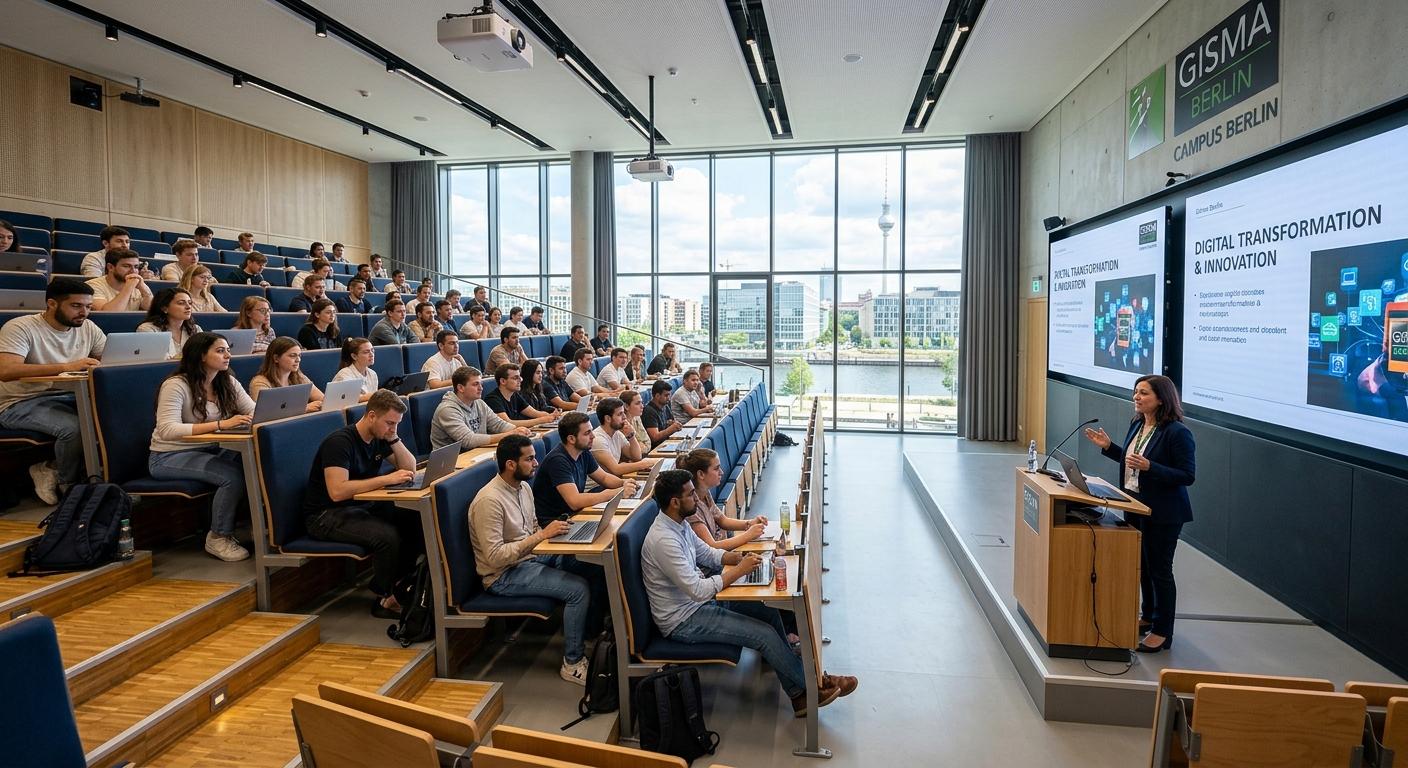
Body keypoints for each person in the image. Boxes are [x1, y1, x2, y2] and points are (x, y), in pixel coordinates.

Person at [642, 469, 857, 716]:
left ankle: (799, 696)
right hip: (683, 620)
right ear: (675, 502)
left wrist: (737, 558)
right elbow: (698, 590)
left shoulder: (678, 524)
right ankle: (816, 683)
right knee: (763, 635)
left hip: (699, 604)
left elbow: (707, 554)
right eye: (692, 495)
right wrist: (738, 571)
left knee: (768, 614)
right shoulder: (663, 540)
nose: (698, 499)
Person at [469, 434, 607, 685]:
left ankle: (590, 632)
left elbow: (532, 529)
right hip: (504, 575)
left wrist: (559, 534)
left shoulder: (523, 488)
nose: (536, 463)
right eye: (530, 459)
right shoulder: (489, 501)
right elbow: (494, 557)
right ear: (511, 464)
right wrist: (543, 536)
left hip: (531, 558)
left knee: (592, 565)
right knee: (578, 590)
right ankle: (572, 662)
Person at [1084, 374, 1195, 654]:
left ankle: (1162, 631)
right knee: (1143, 567)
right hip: (1134, 505)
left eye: (1143, 393)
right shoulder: (1138, 424)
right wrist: (1110, 448)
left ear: (1161, 398)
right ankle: (1148, 616)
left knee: (1160, 572)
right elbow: (1132, 461)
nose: (1136, 397)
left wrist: (1151, 468)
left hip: (1164, 513)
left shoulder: (1177, 432)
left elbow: (1187, 475)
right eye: (1136, 392)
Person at [303, 390, 422, 618]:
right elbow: (337, 491)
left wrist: (394, 438)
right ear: (371, 416)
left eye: (396, 424)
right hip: (325, 514)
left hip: (361, 504)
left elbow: (410, 469)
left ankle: (394, 586)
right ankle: (384, 598)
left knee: (416, 520)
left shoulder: (380, 437)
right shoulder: (340, 442)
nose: (392, 428)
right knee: (387, 538)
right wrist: (386, 479)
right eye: (389, 423)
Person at [149, 332, 254, 562]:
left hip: (211, 449)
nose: (228, 355)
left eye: (227, 350)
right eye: (220, 350)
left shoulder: (226, 381)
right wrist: (220, 424)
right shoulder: (176, 385)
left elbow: (254, 410)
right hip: (170, 455)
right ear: (201, 356)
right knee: (233, 475)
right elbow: (167, 429)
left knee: (255, 461)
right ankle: (218, 537)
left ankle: (256, 525)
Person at [0, 278, 106, 503]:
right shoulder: (20, 327)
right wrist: (65, 367)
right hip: (18, 401)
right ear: (52, 304)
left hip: (69, 394)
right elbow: (6, 370)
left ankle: (49, 467)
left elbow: (106, 358)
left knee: (113, 417)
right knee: (75, 428)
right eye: (76, 306)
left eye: (88, 307)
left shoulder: (88, 327)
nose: (84, 313)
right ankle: (69, 486)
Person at [531, 412, 635, 527]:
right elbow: (575, 501)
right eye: (587, 433)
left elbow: (604, 477)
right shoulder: (557, 461)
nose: (593, 436)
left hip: (572, 516)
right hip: (555, 523)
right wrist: (617, 492)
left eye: (591, 431)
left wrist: (623, 483)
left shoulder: (583, 451)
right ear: (571, 439)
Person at [679, 448, 767, 551]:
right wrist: (748, 535)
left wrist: (750, 523)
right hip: (715, 562)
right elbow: (711, 547)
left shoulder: (705, 492)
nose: (721, 472)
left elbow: (723, 520)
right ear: (701, 474)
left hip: (724, 550)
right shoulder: (691, 508)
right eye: (716, 469)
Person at [429, 366, 530, 451]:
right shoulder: (447, 410)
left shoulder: (479, 403)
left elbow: (498, 424)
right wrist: (509, 434)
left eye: (480, 384)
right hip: (451, 462)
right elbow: (468, 440)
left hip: (476, 452)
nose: (481, 388)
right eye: (475, 384)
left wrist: (517, 430)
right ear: (460, 388)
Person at [249, 337, 324, 413]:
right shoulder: (260, 382)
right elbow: (267, 412)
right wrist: (303, 408)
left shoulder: (299, 377)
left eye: (299, 355)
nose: (298, 360)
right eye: (292, 356)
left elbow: (322, 399)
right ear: (276, 358)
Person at [591, 397, 654, 476]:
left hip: (612, 481)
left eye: (624, 413)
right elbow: (616, 469)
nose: (624, 417)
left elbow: (636, 457)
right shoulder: (597, 439)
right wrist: (644, 464)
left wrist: (631, 436)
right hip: (597, 487)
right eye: (620, 414)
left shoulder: (617, 433)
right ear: (608, 418)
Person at [136, 288, 202, 359]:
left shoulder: (195, 329)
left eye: (190, 303)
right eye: (181, 303)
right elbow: (157, 361)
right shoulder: (147, 329)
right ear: (164, 308)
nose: (188, 307)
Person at [485, 364, 558, 428]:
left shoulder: (515, 394)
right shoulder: (492, 400)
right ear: (503, 381)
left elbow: (535, 413)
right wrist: (540, 420)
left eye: (520, 377)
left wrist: (550, 415)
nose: (521, 380)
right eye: (516, 378)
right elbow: (507, 423)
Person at [88, 248, 153, 312]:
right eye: (126, 266)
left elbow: (152, 313)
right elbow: (109, 316)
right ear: (110, 267)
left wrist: (147, 294)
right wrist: (129, 287)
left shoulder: (138, 286)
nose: (133, 271)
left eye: (136, 267)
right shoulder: (93, 286)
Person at [642, 380, 683, 447]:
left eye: (669, 395)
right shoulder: (649, 411)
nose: (669, 398)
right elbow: (655, 437)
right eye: (666, 395)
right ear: (657, 396)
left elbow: (672, 422)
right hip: (656, 448)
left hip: (666, 443)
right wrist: (671, 428)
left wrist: (672, 424)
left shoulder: (665, 406)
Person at [619, 389, 653, 459]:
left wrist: (641, 447)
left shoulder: (636, 418)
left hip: (643, 457)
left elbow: (648, 443)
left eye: (641, 403)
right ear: (626, 407)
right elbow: (632, 453)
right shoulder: (621, 425)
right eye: (638, 403)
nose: (642, 406)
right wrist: (640, 446)